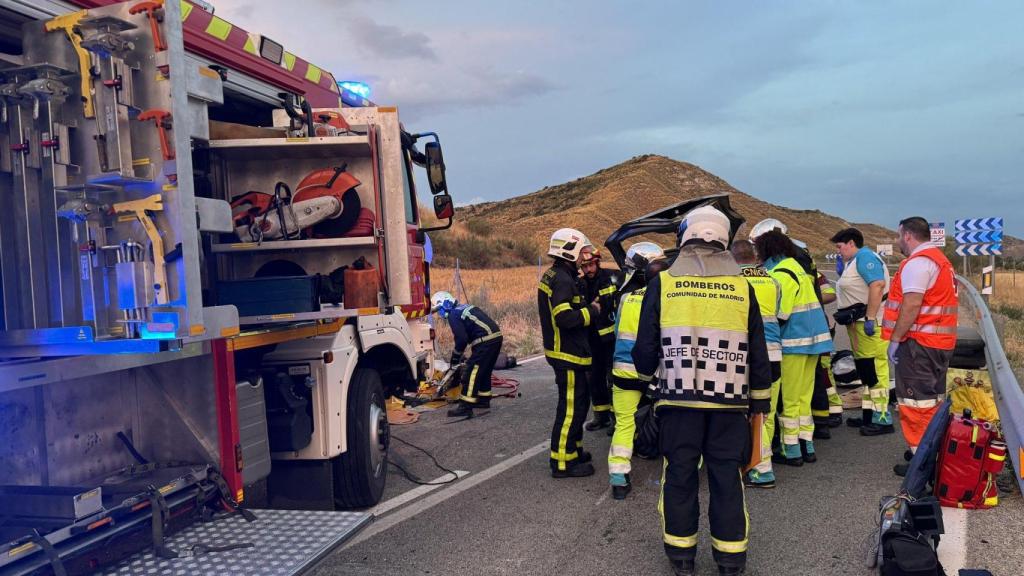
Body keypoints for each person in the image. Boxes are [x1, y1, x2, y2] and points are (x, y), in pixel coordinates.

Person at [633, 206, 772, 576]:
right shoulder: (743, 287)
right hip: (730, 405)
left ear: (684, 238)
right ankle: (730, 560)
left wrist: (647, 376)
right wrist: (760, 402)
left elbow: (645, 352)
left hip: (678, 403)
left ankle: (682, 558)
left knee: (679, 475)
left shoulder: (663, 284)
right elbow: (758, 351)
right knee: (727, 477)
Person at [882, 217, 958, 477]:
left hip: (919, 346)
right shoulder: (940, 261)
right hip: (938, 344)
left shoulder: (918, 264)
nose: (896, 241)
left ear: (908, 236)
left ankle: (921, 464)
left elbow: (912, 305)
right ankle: (930, 453)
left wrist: (895, 339)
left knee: (915, 403)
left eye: (898, 235)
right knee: (932, 402)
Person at [753, 229, 834, 466]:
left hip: (794, 342)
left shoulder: (781, 273)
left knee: (789, 398)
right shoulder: (797, 266)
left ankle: (791, 451)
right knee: (803, 398)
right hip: (814, 342)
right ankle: (806, 445)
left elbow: (782, 312)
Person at [539, 228, 600, 478]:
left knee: (578, 405)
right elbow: (564, 317)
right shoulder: (562, 279)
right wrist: (593, 311)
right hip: (568, 354)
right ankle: (563, 463)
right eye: (581, 251)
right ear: (570, 250)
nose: (584, 256)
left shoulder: (557, 274)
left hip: (566, 352)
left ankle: (573, 451)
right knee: (571, 410)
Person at [607, 241, 667, 500]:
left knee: (624, 423)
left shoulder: (625, 299)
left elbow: (617, 331)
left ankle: (619, 477)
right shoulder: (667, 298)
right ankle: (671, 467)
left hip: (624, 370)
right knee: (669, 418)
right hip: (656, 371)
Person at [831, 227, 894, 436]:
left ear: (851, 243)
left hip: (870, 325)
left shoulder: (865, 257)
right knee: (867, 370)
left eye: (840, 247)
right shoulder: (855, 261)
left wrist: (869, 317)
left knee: (875, 370)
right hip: (858, 325)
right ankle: (869, 414)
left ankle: (882, 418)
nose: (839, 251)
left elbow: (877, 285)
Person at [731, 239, 783, 489]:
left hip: (746, 355)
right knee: (766, 411)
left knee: (743, 411)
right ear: (754, 257)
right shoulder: (773, 281)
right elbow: (781, 315)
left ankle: (757, 467)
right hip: (773, 353)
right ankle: (763, 460)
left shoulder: (734, 283)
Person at [430, 291, 503, 418]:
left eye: (439, 309)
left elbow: (461, 339)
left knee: (472, 371)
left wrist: (456, 355)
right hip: (495, 338)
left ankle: (465, 406)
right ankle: (484, 399)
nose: (440, 314)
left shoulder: (454, 314)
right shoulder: (464, 308)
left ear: (444, 304)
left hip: (485, 341)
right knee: (483, 371)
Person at [580, 246, 621, 431]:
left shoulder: (613, 277)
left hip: (611, 340)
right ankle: (601, 417)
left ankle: (616, 420)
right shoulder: (578, 284)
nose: (588, 269)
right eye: (584, 266)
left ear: (597, 262)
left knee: (612, 379)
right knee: (594, 379)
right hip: (591, 340)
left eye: (590, 265)